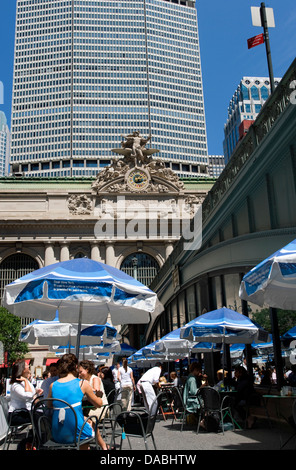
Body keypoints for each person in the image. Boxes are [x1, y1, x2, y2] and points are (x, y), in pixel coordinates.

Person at [48, 354, 108, 450]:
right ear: (76, 367)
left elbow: (49, 405)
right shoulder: (82, 384)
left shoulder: (53, 385)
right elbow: (99, 404)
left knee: (84, 420)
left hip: (57, 432)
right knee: (86, 429)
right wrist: (99, 396)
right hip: (77, 432)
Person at [8, 359, 43, 425]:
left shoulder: (26, 382)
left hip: (24, 412)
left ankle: (36, 434)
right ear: (23, 369)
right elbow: (28, 396)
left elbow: (31, 393)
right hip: (16, 414)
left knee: (41, 415)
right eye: (27, 365)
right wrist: (25, 381)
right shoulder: (16, 385)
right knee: (38, 417)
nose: (29, 366)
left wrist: (36, 391)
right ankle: (36, 434)